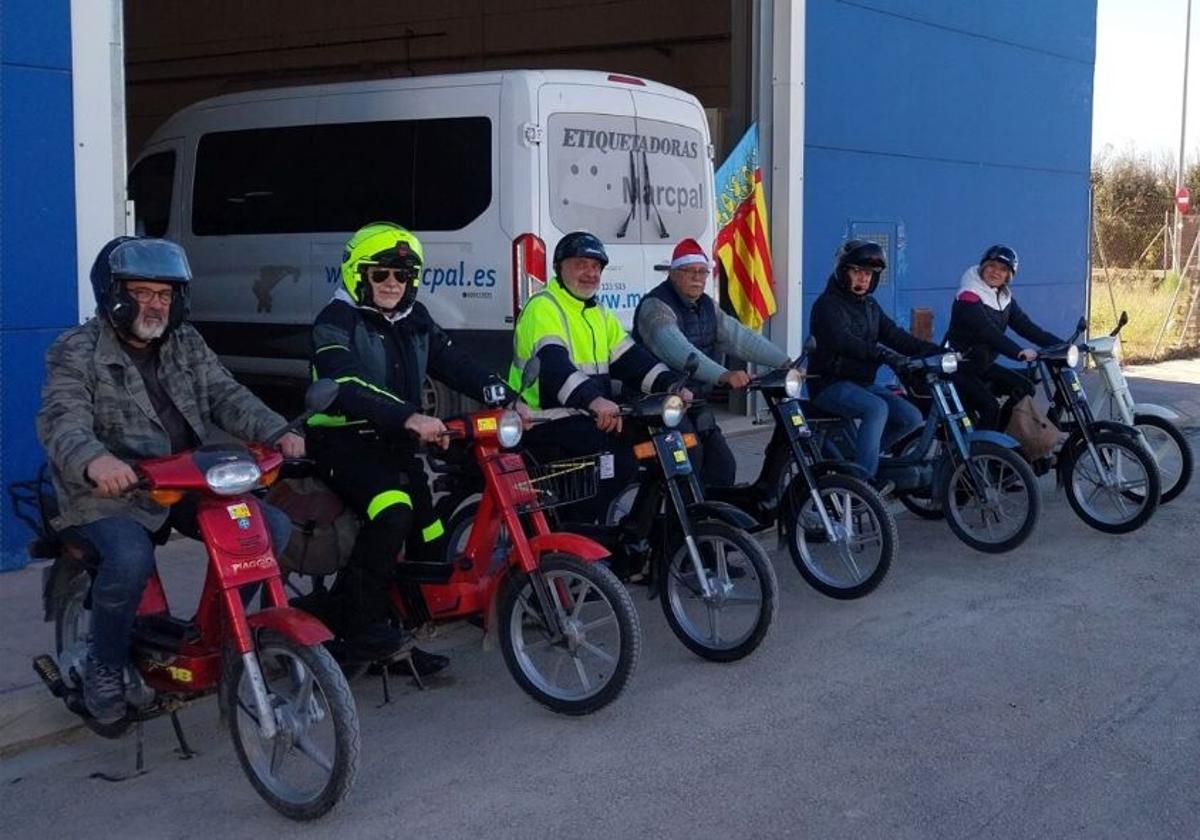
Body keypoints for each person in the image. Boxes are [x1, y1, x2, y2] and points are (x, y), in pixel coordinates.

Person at [36, 236, 303, 724]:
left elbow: (226, 393)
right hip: (109, 491)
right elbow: (62, 419)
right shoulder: (75, 349)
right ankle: (105, 666)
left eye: (163, 294)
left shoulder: (185, 341)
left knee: (268, 528)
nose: (153, 304)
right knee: (129, 557)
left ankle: (224, 637)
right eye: (140, 292)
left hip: (186, 477)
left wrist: (277, 431)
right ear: (113, 293)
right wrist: (97, 462)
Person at [305, 222, 522, 669]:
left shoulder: (414, 317)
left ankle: (401, 631)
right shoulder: (335, 319)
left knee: (431, 532)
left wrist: (508, 397)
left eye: (401, 276)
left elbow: (453, 361)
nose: (391, 284)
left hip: (395, 439)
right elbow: (344, 380)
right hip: (343, 440)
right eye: (380, 274)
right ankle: (363, 627)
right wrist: (409, 415)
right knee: (393, 510)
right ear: (358, 275)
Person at [509, 231, 686, 524]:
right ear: (559, 267)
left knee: (657, 445)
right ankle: (578, 534)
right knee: (617, 462)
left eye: (596, 267)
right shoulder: (544, 306)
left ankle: (632, 532)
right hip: (543, 419)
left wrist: (670, 384)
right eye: (581, 264)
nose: (590, 273)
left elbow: (630, 359)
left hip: (585, 413)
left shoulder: (597, 311)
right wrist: (595, 400)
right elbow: (554, 368)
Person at [632, 238, 789, 486]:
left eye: (703, 272)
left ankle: (710, 519)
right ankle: (680, 522)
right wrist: (724, 375)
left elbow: (741, 338)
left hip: (695, 401)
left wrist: (784, 362)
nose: (698, 278)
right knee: (690, 457)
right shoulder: (655, 307)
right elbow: (678, 350)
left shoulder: (706, 306)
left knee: (723, 465)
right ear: (673, 273)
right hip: (663, 404)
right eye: (690, 271)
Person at [807, 239, 942, 479]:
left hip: (861, 384)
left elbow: (895, 336)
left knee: (910, 417)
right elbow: (844, 342)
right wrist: (883, 354)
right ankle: (863, 483)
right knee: (876, 409)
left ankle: (861, 461)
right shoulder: (827, 305)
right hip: (829, 384)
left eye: (868, 274)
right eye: (857, 271)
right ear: (842, 271)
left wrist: (935, 351)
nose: (863, 278)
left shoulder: (870, 305)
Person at [944, 245, 1063, 430]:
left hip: (981, 364)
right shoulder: (968, 295)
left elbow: (1027, 327)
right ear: (983, 266)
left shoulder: (1003, 297)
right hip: (958, 366)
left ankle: (1001, 439)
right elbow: (987, 332)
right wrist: (1018, 352)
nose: (996, 272)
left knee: (1024, 388)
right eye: (992, 266)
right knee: (989, 407)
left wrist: (1063, 346)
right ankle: (984, 453)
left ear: (1009, 276)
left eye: (1003, 269)